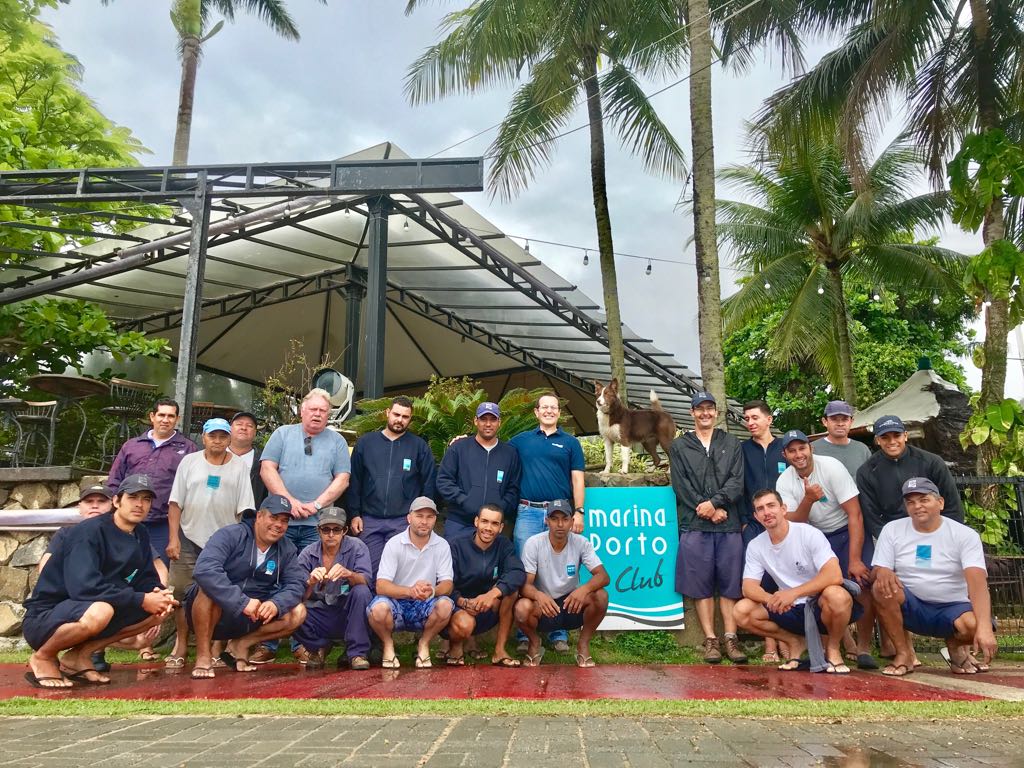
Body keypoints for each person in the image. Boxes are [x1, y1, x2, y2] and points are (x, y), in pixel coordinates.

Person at [23, 474, 178, 688]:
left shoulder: (139, 533)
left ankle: (79, 656)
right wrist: (141, 599)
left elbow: (145, 578)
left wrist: (158, 594)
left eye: (146, 499)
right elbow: (84, 588)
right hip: (47, 616)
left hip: (90, 607)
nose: (140, 504)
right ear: (116, 501)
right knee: (101, 611)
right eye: (133, 497)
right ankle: (44, 657)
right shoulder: (87, 532)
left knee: (161, 609)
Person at [257, 388, 351, 662]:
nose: (318, 414)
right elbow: (267, 468)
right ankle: (268, 644)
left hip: (316, 526)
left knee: (311, 583)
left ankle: (302, 643)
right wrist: (290, 502)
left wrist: (317, 505)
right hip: (281, 523)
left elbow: (342, 478)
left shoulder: (336, 442)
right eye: (314, 409)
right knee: (274, 579)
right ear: (302, 410)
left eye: (324, 411)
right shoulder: (282, 434)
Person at [871, 477, 997, 677]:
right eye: (910, 502)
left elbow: (978, 585)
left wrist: (985, 629)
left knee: (975, 627)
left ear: (940, 503)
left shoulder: (965, 535)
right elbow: (879, 568)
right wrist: (882, 570)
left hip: (952, 607)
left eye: (924, 500)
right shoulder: (892, 529)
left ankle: (954, 646)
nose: (917, 506)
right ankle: (904, 654)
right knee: (881, 586)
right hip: (912, 605)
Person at [776, 429, 877, 669]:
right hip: (815, 537)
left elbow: (855, 514)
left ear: (811, 448)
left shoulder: (831, 467)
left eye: (802, 448)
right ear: (785, 455)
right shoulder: (784, 481)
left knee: (862, 584)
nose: (798, 454)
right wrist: (808, 499)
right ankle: (835, 645)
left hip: (846, 529)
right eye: (792, 450)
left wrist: (854, 558)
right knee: (824, 591)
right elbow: (792, 522)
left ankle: (863, 646)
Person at [734, 489, 858, 674]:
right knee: (742, 611)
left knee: (837, 595)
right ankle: (795, 642)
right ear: (756, 516)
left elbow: (834, 575)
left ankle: (832, 649)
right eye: (760, 509)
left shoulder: (808, 533)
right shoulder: (756, 545)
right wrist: (771, 599)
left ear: (783, 509)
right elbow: (748, 587)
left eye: (771, 506)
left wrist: (793, 593)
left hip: (819, 603)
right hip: (789, 608)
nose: (766, 512)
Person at [164, 418, 255, 669]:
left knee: (221, 594)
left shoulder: (238, 467)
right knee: (181, 593)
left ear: (229, 439)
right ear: (203, 437)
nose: (217, 440)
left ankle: (215, 648)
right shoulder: (189, 462)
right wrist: (173, 538)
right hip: (189, 536)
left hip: (223, 543)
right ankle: (181, 645)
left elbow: (244, 510)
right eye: (212, 435)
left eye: (222, 436)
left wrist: (239, 544)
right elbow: (175, 503)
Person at [185, 494, 307, 678]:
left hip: (251, 618)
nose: (279, 525)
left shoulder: (287, 548)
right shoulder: (230, 534)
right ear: (259, 516)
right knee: (207, 590)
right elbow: (205, 570)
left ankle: (240, 645)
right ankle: (203, 656)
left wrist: (276, 603)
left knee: (298, 612)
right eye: (273, 517)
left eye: (284, 520)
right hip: (215, 613)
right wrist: (241, 602)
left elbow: (296, 583)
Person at [668, 392, 747, 664]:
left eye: (709, 409)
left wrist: (715, 503)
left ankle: (731, 637)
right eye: (699, 409)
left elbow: (737, 481)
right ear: (691, 413)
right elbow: (681, 485)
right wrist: (705, 508)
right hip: (695, 523)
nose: (705, 413)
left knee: (730, 584)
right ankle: (711, 639)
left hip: (729, 523)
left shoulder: (732, 443)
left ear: (716, 412)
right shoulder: (680, 446)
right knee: (700, 585)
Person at [508, 393, 585, 654]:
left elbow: (577, 480)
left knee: (559, 572)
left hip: (560, 515)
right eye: (545, 407)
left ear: (558, 413)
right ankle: (523, 633)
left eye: (554, 407)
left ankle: (557, 632)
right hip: (528, 512)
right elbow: (492, 445)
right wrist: (461, 440)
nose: (550, 411)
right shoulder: (521, 441)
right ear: (536, 412)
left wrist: (580, 512)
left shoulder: (571, 443)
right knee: (524, 572)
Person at [346, 396, 436, 576]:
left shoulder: (419, 446)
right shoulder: (366, 443)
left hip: (403, 520)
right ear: (387, 413)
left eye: (405, 417)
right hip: (370, 520)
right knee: (368, 571)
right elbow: (354, 480)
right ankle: (372, 605)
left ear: (410, 419)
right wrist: (354, 514)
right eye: (396, 414)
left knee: (401, 573)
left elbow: (428, 484)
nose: (399, 420)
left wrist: (420, 517)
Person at [515, 499, 609, 667]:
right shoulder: (533, 543)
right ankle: (535, 643)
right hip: (544, 606)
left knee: (601, 596)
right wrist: (538, 595)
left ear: (572, 521)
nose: (560, 524)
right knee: (522, 607)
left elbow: (603, 576)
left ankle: (583, 645)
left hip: (570, 604)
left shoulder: (581, 543)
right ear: (547, 521)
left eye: (565, 519)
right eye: (554, 519)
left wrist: (584, 589)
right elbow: (524, 585)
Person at [107, 398, 197, 568]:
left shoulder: (188, 449)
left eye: (171, 416)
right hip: (127, 520)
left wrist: (174, 535)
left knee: (155, 572)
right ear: (152, 416)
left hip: (162, 525)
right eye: (161, 415)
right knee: (120, 567)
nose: (165, 420)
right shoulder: (132, 446)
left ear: (177, 419)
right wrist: (112, 512)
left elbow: (191, 491)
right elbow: (114, 480)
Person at [367, 497, 454, 669]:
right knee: (377, 609)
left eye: (429, 517)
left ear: (435, 519)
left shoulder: (442, 545)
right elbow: (381, 585)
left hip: (425, 602)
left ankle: (424, 643)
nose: (424, 521)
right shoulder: (394, 543)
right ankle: (388, 644)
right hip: (397, 602)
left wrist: (432, 591)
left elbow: (448, 584)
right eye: (419, 515)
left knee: (445, 605)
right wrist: (410, 591)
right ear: (409, 518)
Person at [857, 415, 965, 541]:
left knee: (924, 560)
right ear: (877, 440)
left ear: (905, 436)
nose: (892, 442)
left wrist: (944, 537)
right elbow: (871, 516)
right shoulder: (866, 472)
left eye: (897, 435)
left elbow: (953, 505)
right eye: (885, 437)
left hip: (935, 533)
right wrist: (890, 542)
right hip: (895, 539)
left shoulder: (932, 462)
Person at [292, 507, 373, 670]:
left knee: (361, 592)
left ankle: (357, 653)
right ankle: (318, 647)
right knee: (290, 607)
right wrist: (310, 582)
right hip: (320, 613)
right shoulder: (307, 554)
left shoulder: (357, 547)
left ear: (345, 530)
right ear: (318, 530)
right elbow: (296, 593)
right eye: (326, 529)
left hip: (348, 611)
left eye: (336, 530)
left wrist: (349, 574)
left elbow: (366, 581)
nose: (330, 534)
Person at [447, 503, 526, 666]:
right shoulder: (456, 545)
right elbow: (444, 581)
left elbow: (517, 572)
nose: (488, 528)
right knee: (464, 624)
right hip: (459, 608)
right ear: (476, 522)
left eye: (494, 524)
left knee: (511, 592)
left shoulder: (504, 545)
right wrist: (461, 601)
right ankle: (455, 646)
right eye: (484, 521)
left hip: (487, 608)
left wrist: (494, 593)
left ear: (501, 527)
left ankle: (499, 651)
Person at [739, 400, 787, 663]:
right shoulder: (742, 449)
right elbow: (737, 485)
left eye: (755, 417)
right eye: (747, 419)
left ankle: (787, 638)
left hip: (784, 523)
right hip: (754, 524)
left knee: (785, 577)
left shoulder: (785, 448)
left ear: (769, 419)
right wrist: (745, 521)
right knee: (761, 581)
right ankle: (770, 642)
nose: (751, 422)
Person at [437, 402, 521, 540]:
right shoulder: (459, 448)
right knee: (454, 561)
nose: (488, 424)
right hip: (459, 522)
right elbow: (444, 480)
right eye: (483, 419)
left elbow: (514, 488)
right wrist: (464, 500)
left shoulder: (510, 454)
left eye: (493, 419)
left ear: (499, 422)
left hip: (492, 526)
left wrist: (501, 506)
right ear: (476, 421)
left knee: (488, 562)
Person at [812, 401, 872, 480]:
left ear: (851, 421)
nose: (840, 424)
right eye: (834, 419)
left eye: (845, 419)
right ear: (825, 422)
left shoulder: (862, 449)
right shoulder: (812, 449)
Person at [228, 411, 266, 506]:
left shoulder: (264, 462)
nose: (244, 428)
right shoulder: (213, 457)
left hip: (250, 517)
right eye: (239, 424)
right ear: (230, 429)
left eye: (249, 426)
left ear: (255, 432)